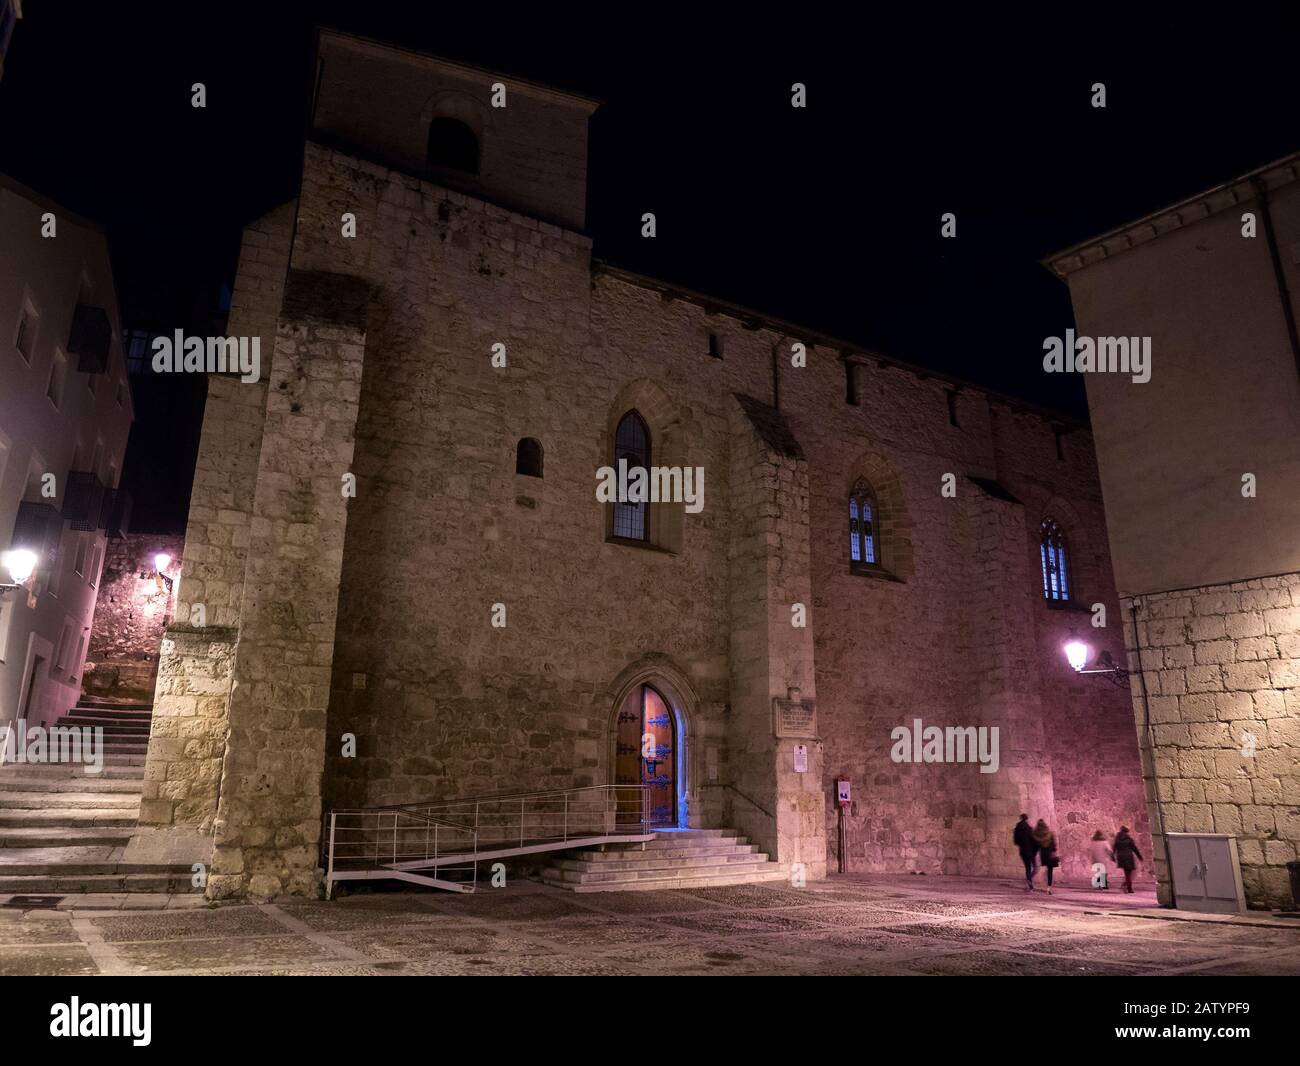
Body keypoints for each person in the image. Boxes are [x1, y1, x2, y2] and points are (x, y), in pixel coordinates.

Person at [1112, 826, 1143, 893]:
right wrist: (1139, 857)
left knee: (1127, 873)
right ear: (1127, 832)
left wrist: (1113, 857)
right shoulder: (1129, 839)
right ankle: (1129, 888)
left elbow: (1114, 848)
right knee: (1129, 873)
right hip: (1128, 857)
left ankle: (1126, 885)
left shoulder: (1117, 839)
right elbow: (1134, 849)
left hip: (1121, 857)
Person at [1013, 813, 1038, 892]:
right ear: (1026, 819)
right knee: (1035, 868)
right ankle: (1029, 880)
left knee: (1028, 868)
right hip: (1030, 851)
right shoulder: (1029, 829)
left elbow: (1016, 841)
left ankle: (1029, 882)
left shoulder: (1017, 829)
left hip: (1023, 851)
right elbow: (1034, 841)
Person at [1033, 819, 1059, 894]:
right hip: (1050, 854)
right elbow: (1054, 845)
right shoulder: (1050, 833)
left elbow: (1037, 845)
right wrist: (1054, 851)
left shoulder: (1037, 835)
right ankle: (1048, 888)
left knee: (1045, 869)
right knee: (1050, 871)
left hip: (1043, 854)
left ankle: (1043, 884)